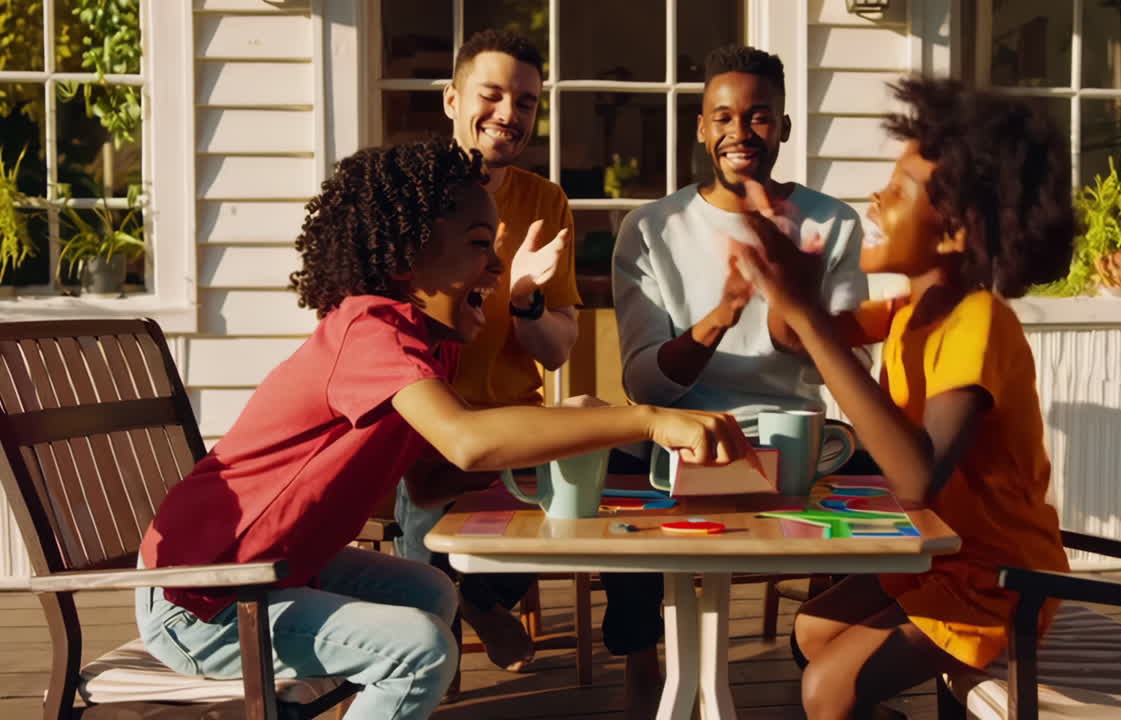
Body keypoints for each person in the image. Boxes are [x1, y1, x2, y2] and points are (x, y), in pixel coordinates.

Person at [136, 138, 753, 720]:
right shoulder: (370, 332)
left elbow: (432, 481)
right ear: (408, 256)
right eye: (481, 244)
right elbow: (467, 440)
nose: (498, 265)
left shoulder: (431, 345)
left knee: (432, 594)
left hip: (279, 570)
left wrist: (564, 429)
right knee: (420, 648)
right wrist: (642, 418)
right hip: (206, 597)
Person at [727, 76, 1076, 719]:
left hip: (999, 583)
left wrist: (806, 314)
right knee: (813, 632)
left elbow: (917, 476)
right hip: (940, 557)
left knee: (827, 689)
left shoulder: (978, 322)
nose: (876, 198)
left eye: (898, 190)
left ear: (957, 230)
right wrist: (790, 284)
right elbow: (794, 337)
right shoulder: (909, 311)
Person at [609, 44, 870, 717]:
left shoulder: (831, 223)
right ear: (702, 128)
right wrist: (723, 314)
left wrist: (789, 311)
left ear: (783, 127)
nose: (740, 132)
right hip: (681, 434)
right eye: (723, 117)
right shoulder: (652, 228)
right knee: (615, 458)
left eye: (758, 117)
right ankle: (641, 656)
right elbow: (644, 386)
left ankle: (833, 650)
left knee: (883, 472)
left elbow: (849, 369)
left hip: (795, 436)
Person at [391, 29, 581, 674]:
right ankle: (442, 626)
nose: (509, 113)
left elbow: (557, 352)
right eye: (492, 95)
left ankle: (472, 599)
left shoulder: (545, 201)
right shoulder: (405, 194)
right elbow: (380, 331)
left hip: (513, 428)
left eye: (526, 102)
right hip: (422, 422)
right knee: (425, 523)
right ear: (452, 99)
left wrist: (525, 299)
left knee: (577, 481)